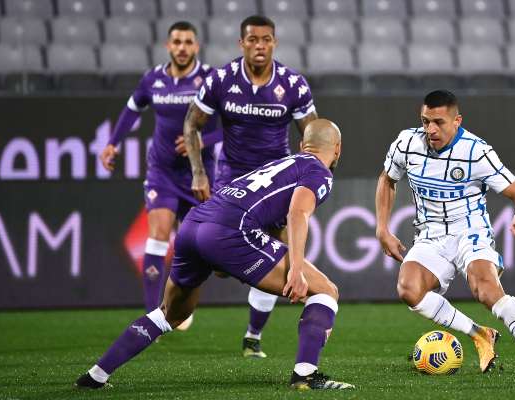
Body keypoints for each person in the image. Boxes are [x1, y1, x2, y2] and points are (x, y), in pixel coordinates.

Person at [75, 119, 354, 390]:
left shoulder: (282, 163)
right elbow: (298, 212)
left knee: (169, 313)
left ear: (303, 143)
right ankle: (305, 376)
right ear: (337, 148)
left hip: (194, 224)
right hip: (230, 231)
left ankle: (96, 375)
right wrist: (295, 268)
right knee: (325, 291)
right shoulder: (319, 172)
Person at [375, 90, 515, 376]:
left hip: (470, 232)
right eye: (425, 122)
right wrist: (382, 228)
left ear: (457, 120)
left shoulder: (477, 152)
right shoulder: (406, 143)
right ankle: (479, 334)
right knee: (409, 289)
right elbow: (387, 179)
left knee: (485, 289)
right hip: (431, 235)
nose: (430, 129)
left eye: (438, 122)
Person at [183, 15, 318, 357]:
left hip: (277, 179)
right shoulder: (221, 80)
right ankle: (179, 307)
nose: (260, 46)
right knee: (219, 265)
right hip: (233, 179)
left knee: (279, 255)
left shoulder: (293, 84)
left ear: (274, 42)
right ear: (241, 43)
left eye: (267, 39)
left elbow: (313, 135)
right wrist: (199, 174)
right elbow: (191, 124)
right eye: (253, 40)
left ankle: (253, 337)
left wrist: (310, 174)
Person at [99, 21, 221, 329]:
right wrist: (113, 143)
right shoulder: (153, 79)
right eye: (177, 42)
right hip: (162, 172)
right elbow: (132, 109)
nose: (182, 47)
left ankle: (180, 303)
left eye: (188, 42)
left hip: (199, 174)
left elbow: (229, 125)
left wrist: (201, 140)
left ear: (197, 46)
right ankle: (154, 314)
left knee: (197, 245)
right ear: (168, 46)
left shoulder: (210, 79)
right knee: (158, 234)